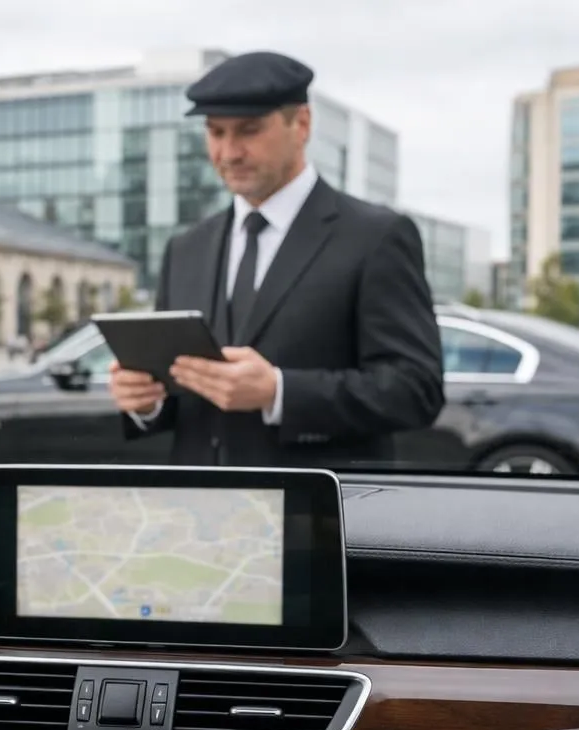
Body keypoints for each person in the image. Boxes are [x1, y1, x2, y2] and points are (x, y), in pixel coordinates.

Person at [108, 51, 444, 468]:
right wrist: (146, 402)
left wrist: (279, 392)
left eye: (248, 131)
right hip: (202, 504)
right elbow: (181, 395)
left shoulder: (375, 237)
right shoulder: (185, 248)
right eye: (215, 132)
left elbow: (417, 389)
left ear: (301, 124)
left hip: (313, 503)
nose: (229, 152)